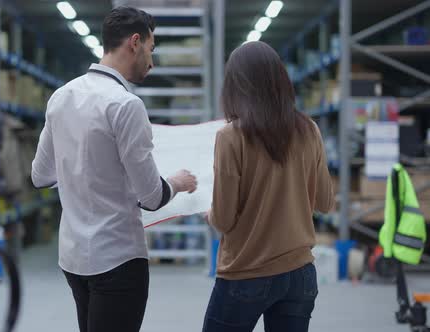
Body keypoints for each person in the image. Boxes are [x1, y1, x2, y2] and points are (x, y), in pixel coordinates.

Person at [31, 6, 198, 332]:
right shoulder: (125, 105)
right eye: (151, 49)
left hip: (74, 259)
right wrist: (176, 182)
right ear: (134, 42)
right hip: (117, 259)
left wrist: (81, 171)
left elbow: (40, 176)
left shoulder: (61, 97)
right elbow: (151, 197)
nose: (152, 62)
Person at [202, 41, 335, 332]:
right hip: (300, 274)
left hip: (246, 273)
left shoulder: (230, 137)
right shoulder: (309, 130)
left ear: (236, 86)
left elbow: (223, 220)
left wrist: (208, 212)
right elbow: (326, 201)